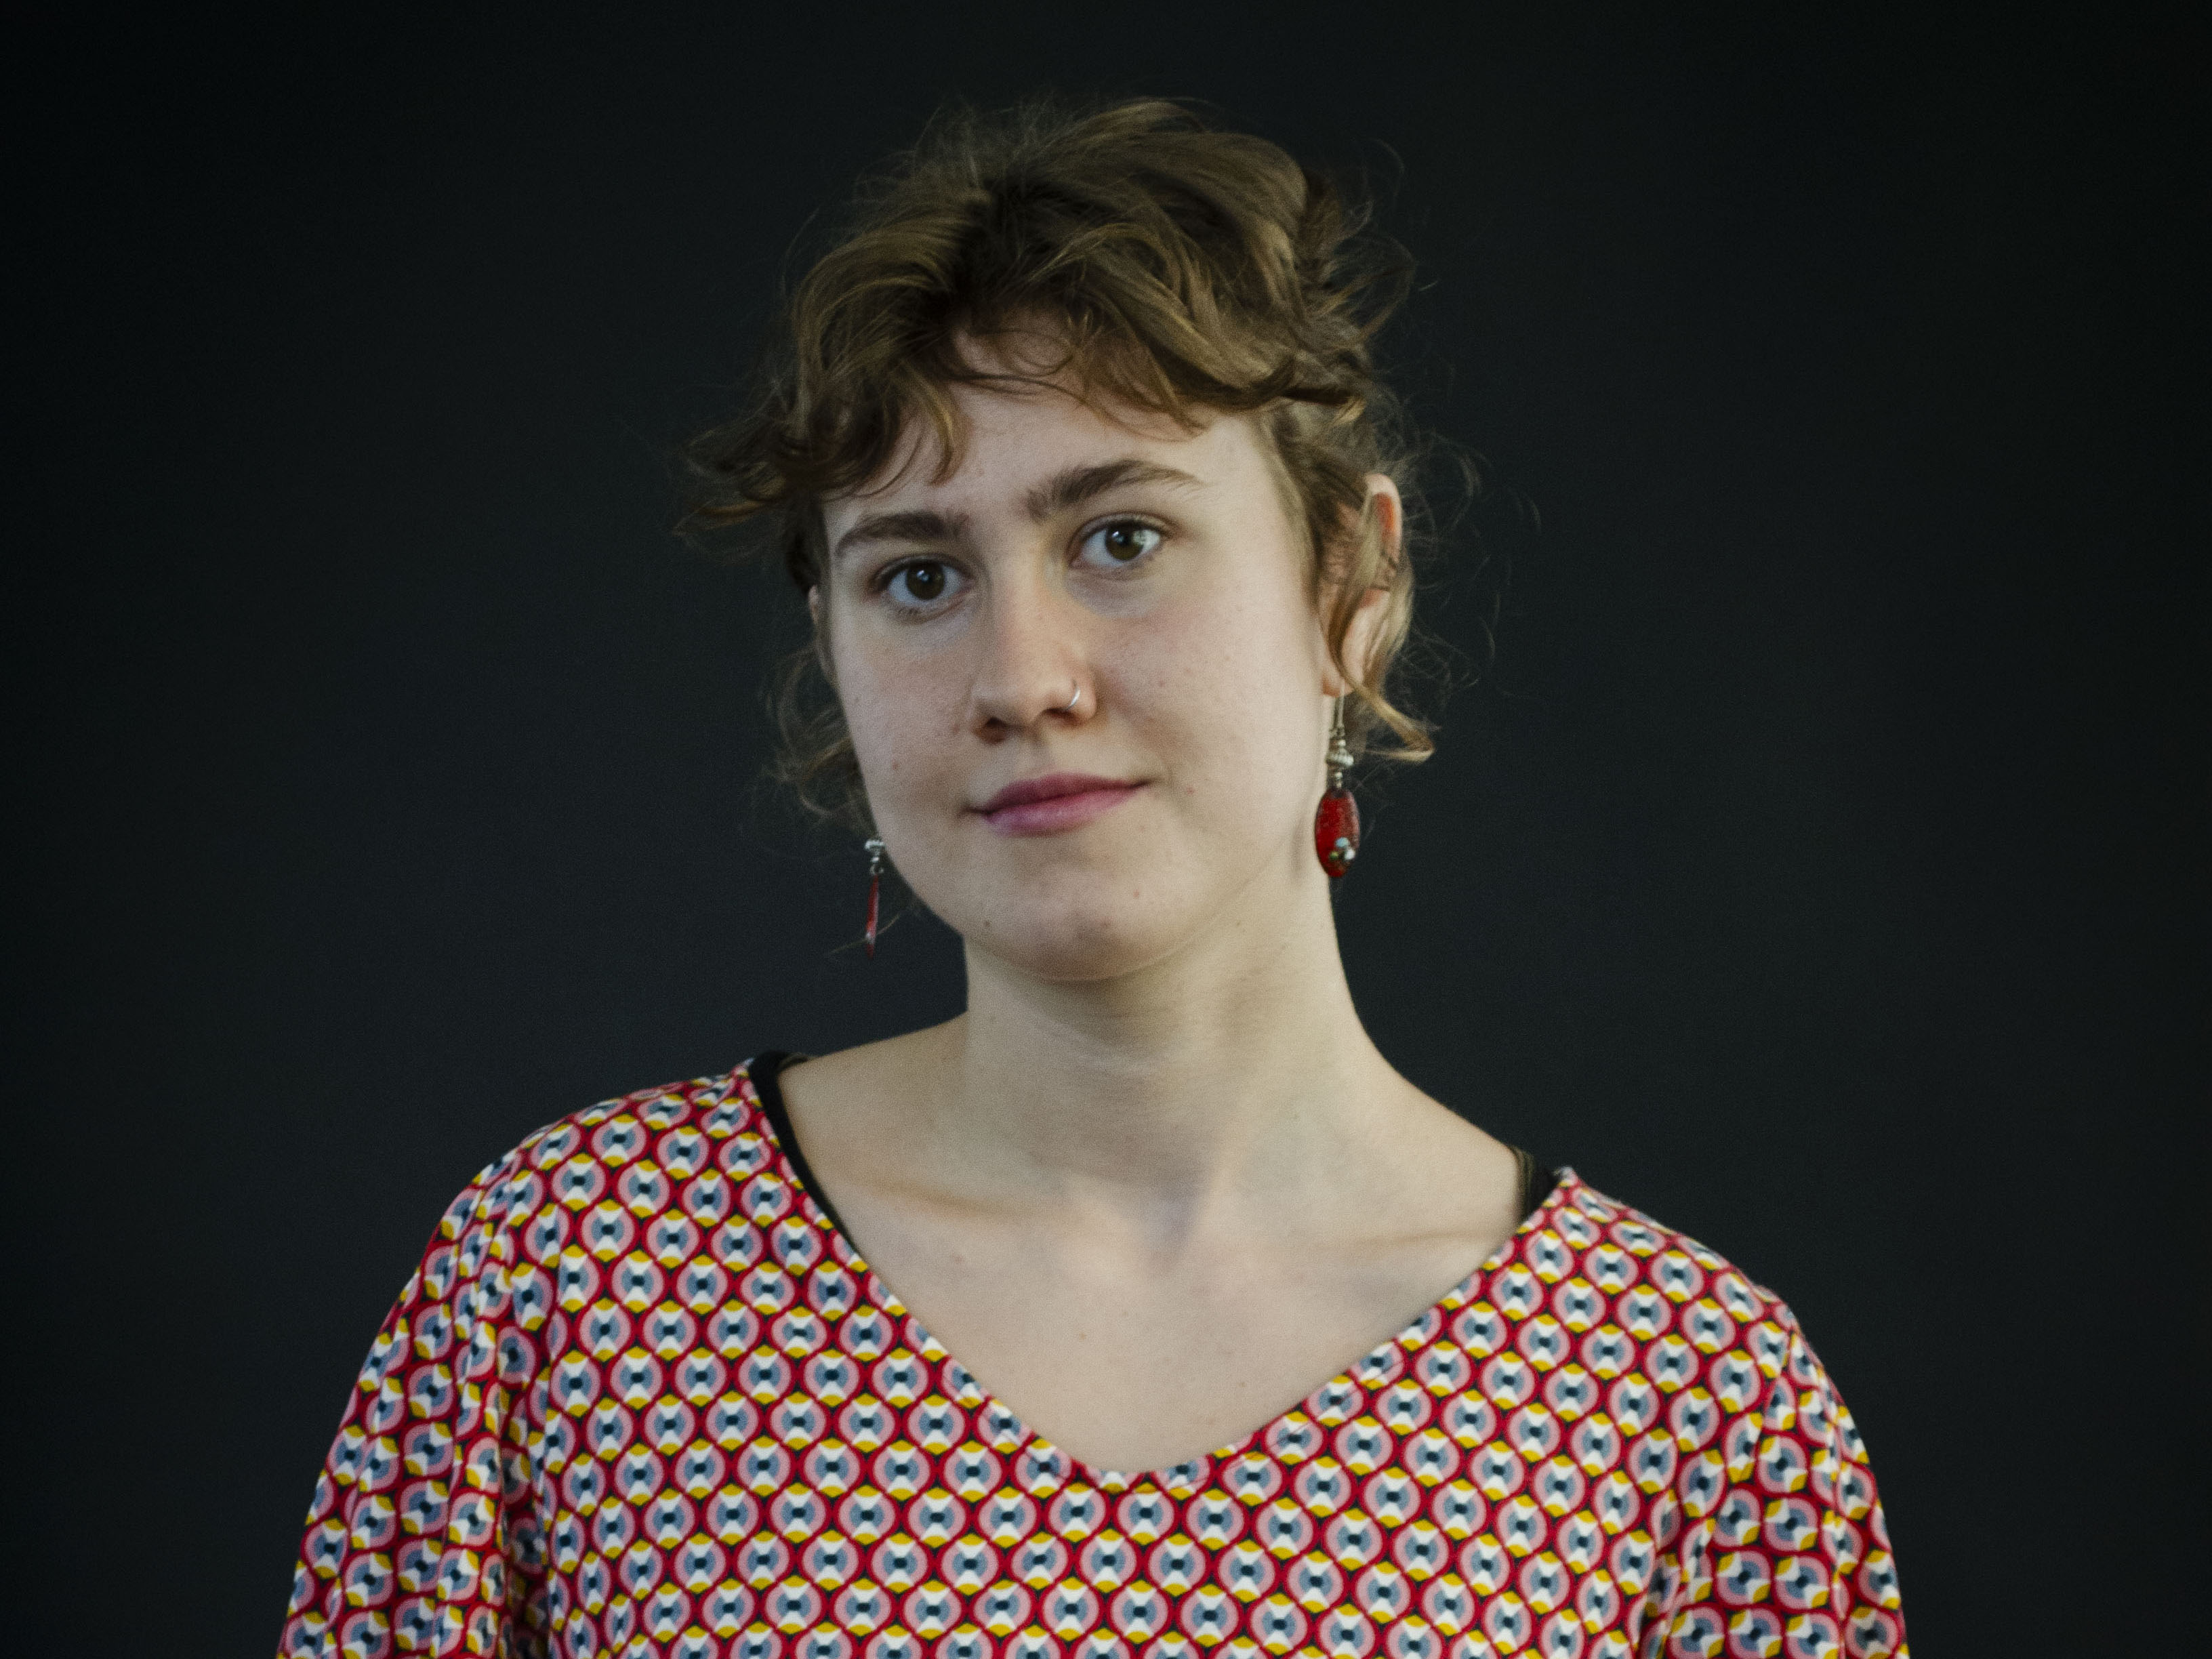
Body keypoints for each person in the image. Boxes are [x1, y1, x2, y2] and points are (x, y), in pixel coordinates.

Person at [279, 98, 1906, 1659]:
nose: (1022, 677)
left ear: (1351, 588)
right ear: (833, 653)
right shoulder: (575, 1280)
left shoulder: (1687, 1398)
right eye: (920, 577)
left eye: (1120, 539)